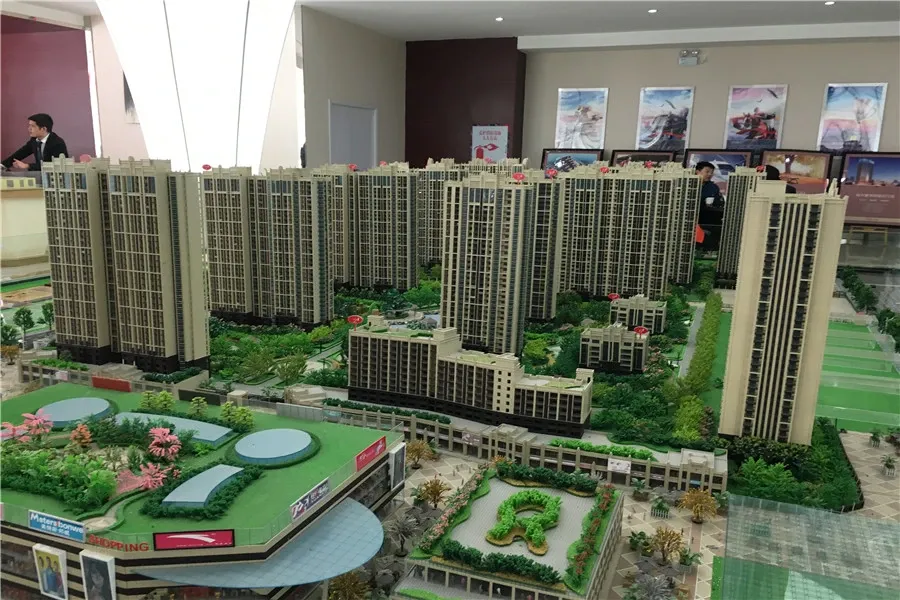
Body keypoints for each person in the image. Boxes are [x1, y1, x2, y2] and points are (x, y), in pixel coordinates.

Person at [1, 113, 68, 172]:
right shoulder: (34, 140)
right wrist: (3, 165)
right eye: (29, 125)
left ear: (43, 129)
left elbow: (56, 165)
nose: (29, 129)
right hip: (40, 176)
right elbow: (21, 153)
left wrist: (27, 166)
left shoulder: (57, 143)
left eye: (33, 126)